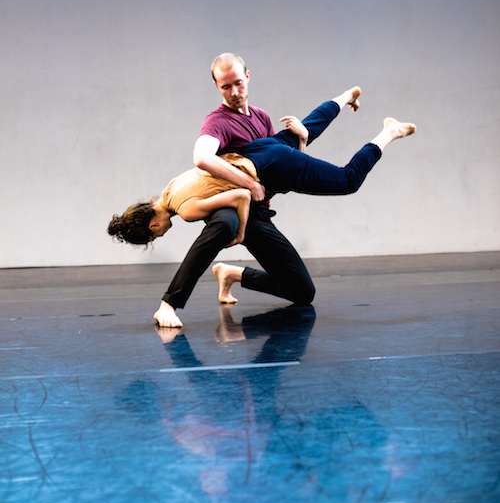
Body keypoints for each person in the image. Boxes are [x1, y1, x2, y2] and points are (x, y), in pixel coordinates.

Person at [108, 67, 416, 327]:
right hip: (257, 154)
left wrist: (240, 232)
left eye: (154, 237)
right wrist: (299, 149)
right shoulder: (170, 188)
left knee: (348, 179)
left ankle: (387, 133)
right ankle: (347, 96)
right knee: (304, 129)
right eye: (226, 85)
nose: (160, 236)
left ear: (152, 225)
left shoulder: (185, 210)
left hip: (265, 170)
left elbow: (241, 195)